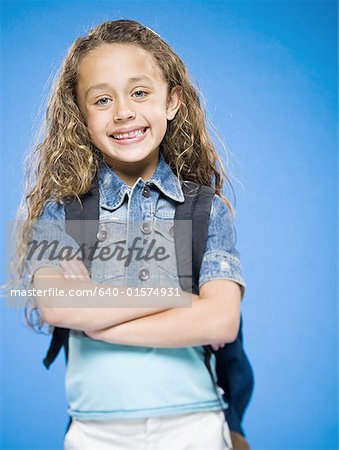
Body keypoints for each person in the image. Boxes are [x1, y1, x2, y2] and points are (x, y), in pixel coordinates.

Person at [17, 19, 248, 449]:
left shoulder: (206, 210)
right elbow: (56, 306)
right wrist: (177, 297)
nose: (123, 111)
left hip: (193, 426)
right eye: (102, 99)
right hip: (95, 433)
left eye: (140, 92)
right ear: (81, 116)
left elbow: (221, 319)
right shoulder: (61, 213)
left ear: (172, 101)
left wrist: (98, 314)